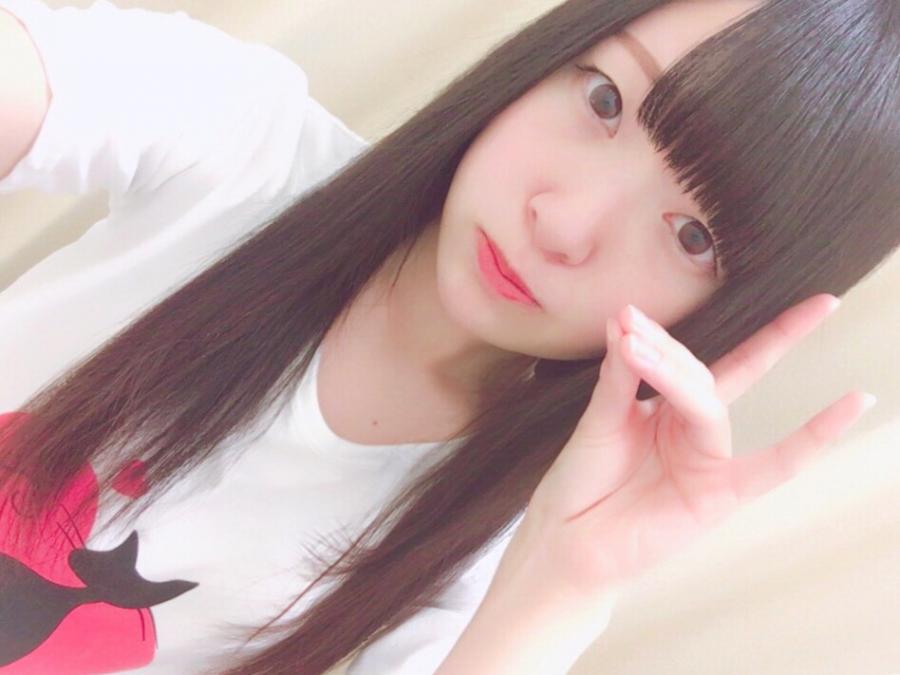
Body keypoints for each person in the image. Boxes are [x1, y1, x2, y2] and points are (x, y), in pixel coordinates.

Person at [0, 0, 896, 673]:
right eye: (604, 98)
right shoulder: (244, 144)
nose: (564, 222)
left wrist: (564, 587)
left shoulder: (495, 557)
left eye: (693, 235)